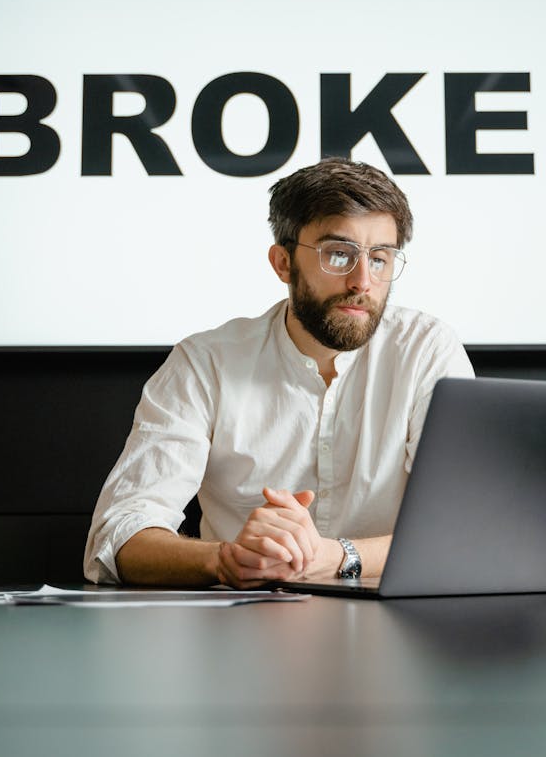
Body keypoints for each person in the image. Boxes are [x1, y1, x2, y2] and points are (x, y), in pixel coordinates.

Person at [84, 158, 473, 588]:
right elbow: (117, 537)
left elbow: (468, 527)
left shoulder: (427, 350)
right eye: (338, 254)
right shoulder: (204, 363)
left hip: (399, 633)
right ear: (283, 263)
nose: (363, 281)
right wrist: (227, 560)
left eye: (380, 258)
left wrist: (336, 557)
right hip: (240, 629)